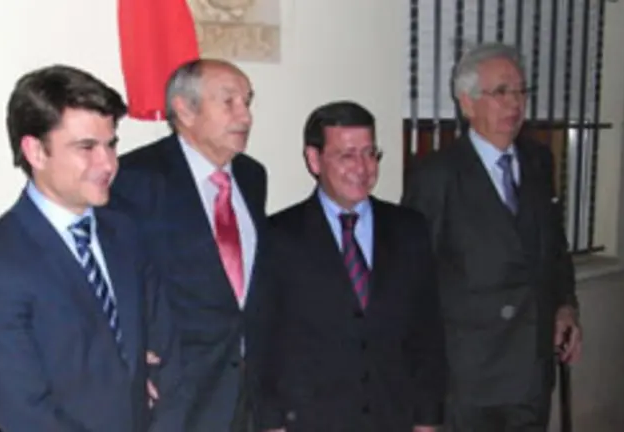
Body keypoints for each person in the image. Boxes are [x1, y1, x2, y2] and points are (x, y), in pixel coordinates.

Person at [0, 65, 153, 431]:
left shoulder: (124, 232)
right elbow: (25, 413)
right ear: (35, 151)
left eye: (111, 144)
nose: (108, 163)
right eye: (86, 147)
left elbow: (154, 351)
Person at [402, 42, 583, 431]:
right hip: (468, 379)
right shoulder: (436, 176)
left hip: (532, 372)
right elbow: (411, 281)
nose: (515, 103)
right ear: (467, 103)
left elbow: (554, 249)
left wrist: (566, 306)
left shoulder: (538, 161)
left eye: (520, 91)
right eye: (501, 92)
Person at [248, 101, 447, 432]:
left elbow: (427, 333)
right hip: (312, 419)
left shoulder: (410, 228)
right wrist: (271, 424)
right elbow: (266, 342)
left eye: (370, 153)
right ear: (314, 159)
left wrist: (428, 419)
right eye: (347, 155)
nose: (363, 167)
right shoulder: (278, 235)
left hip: (392, 416)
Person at [110, 58, 267, 432]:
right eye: (229, 102)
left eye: (247, 101)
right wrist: (131, 360)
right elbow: (119, 277)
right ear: (184, 109)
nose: (245, 116)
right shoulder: (135, 179)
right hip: (178, 391)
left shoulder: (252, 175)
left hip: (251, 386)